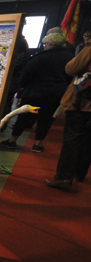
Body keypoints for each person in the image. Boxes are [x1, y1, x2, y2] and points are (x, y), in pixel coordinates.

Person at [0, 33, 73, 152]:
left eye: (45, 44)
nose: (44, 46)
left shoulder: (40, 57)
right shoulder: (70, 57)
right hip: (56, 94)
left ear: (49, 44)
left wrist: (22, 89)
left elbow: (26, 75)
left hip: (34, 94)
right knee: (46, 119)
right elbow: (71, 76)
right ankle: (38, 144)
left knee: (23, 118)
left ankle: (12, 140)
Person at [45, 44, 91, 190]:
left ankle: (63, 177)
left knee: (72, 140)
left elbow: (70, 68)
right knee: (87, 141)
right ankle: (79, 174)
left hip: (82, 101)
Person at [1, 35, 30, 126]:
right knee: (6, 103)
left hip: (11, 83)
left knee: (5, 103)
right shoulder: (23, 53)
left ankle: (2, 123)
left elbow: (11, 68)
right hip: (12, 83)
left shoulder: (19, 56)